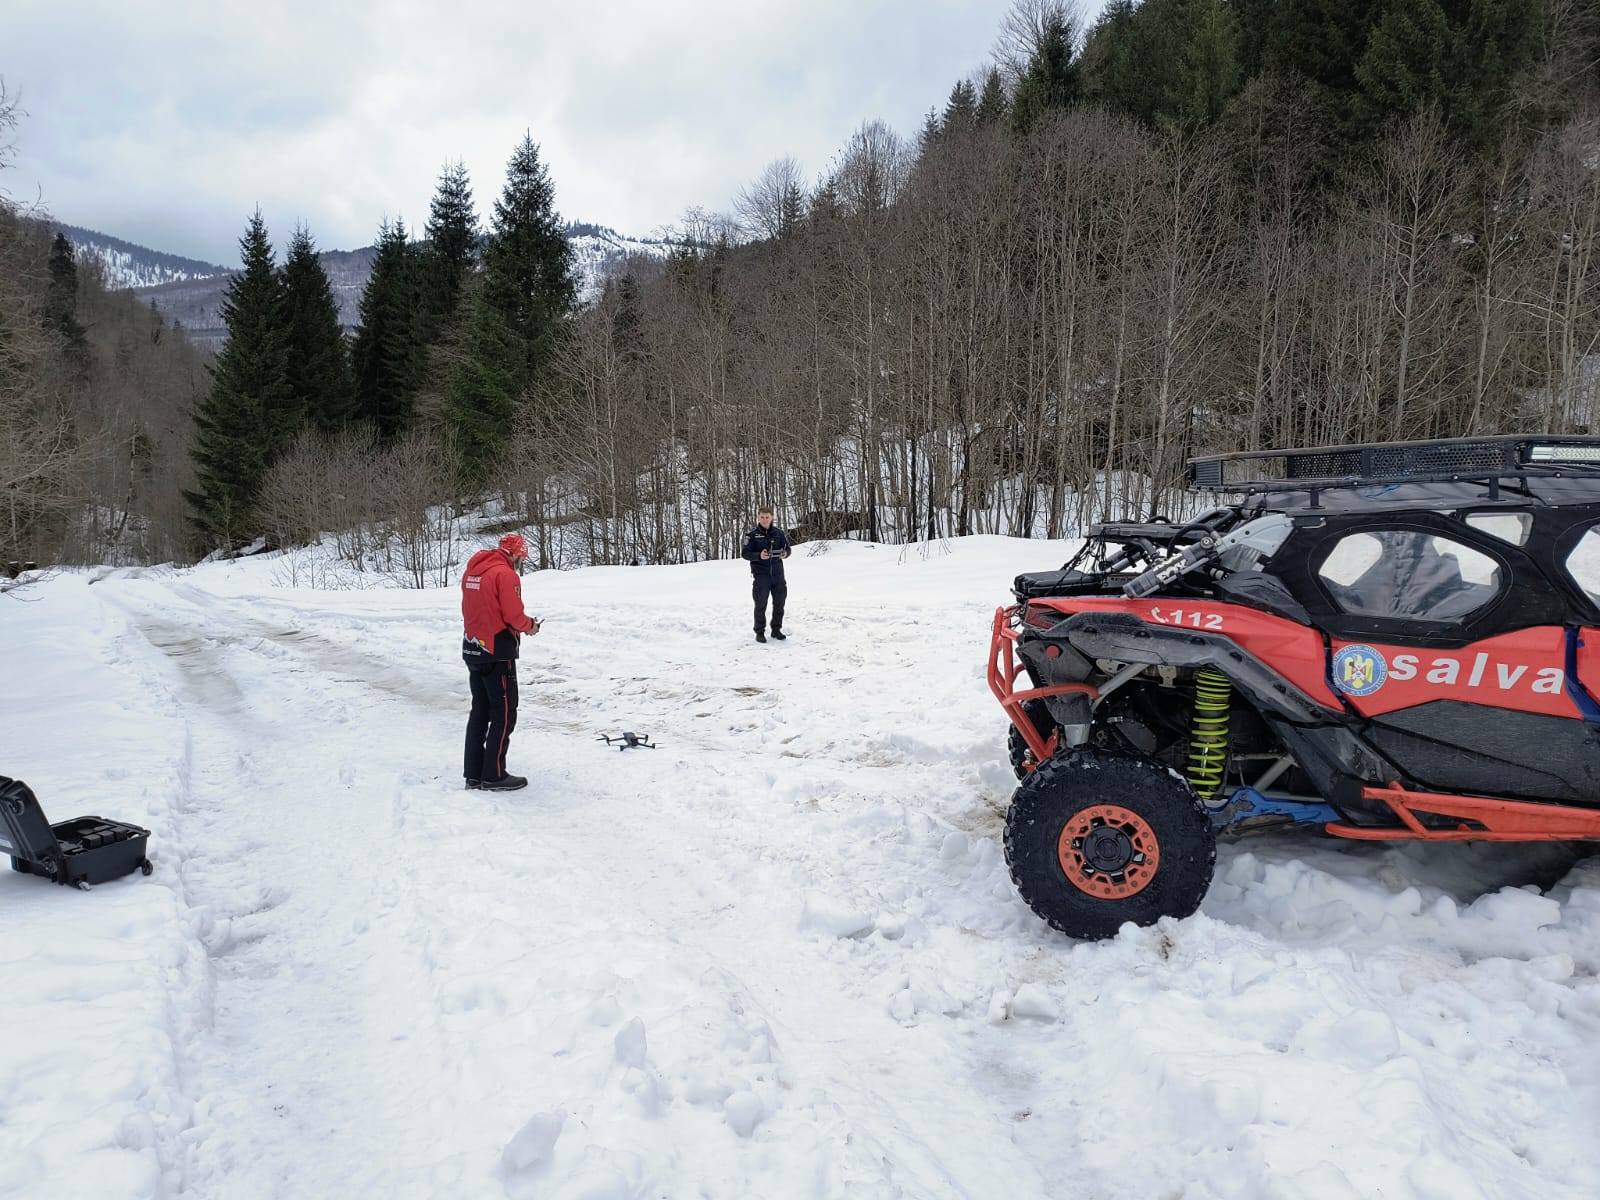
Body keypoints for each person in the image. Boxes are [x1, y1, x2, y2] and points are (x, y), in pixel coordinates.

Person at [461, 533, 540, 791]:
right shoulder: (506, 575)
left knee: (480, 711)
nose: (520, 561)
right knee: (504, 714)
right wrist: (530, 626)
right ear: (516, 554)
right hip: (497, 651)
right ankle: (494, 774)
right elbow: (513, 615)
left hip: (473, 647)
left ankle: (474, 773)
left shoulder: (475, 569)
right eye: (521, 556)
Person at [741, 506, 790, 643]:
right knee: (760, 604)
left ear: (772, 518)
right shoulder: (751, 535)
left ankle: (776, 629)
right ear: (758, 517)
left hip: (778, 574)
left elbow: (788, 549)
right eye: (762, 517)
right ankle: (760, 631)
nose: (764, 520)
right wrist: (758, 555)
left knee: (779, 603)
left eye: (767, 517)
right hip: (761, 575)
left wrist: (785, 554)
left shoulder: (779, 533)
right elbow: (745, 553)